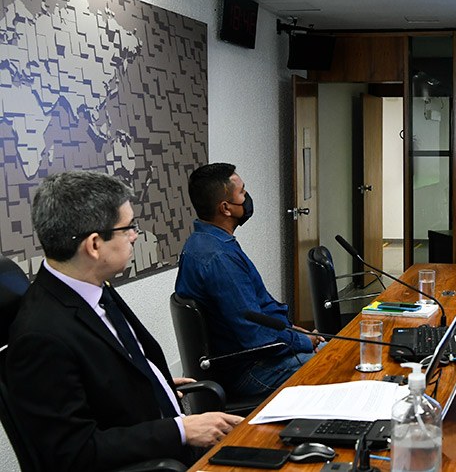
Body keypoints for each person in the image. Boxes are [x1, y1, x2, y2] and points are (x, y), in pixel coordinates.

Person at [6, 171, 242, 472]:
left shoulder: (93, 287)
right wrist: (182, 430)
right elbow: (73, 452)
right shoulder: (41, 335)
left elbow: (105, 372)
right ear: (94, 245)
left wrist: (155, 383)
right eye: (127, 227)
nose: (134, 235)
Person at [175, 163, 324, 398]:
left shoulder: (205, 242)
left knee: (336, 350)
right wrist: (304, 341)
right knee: (338, 364)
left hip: (247, 359)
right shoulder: (219, 258)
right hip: (250, 371)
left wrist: (293, 331)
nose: (247, 197)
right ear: (225, 208)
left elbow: (254, 313)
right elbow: (255, 337)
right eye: (242, 192)